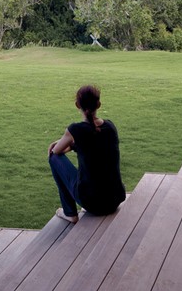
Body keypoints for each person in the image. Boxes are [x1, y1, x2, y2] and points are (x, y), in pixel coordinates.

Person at [48, 84, 126, 223]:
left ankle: (70, 213)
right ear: (99, 104)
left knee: (53, 158)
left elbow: (56, 151)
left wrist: (65, 143)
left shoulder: (75, 130)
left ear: (77, 105)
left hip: (92, 203)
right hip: (115, 199)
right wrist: (72, 145)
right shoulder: (110, 126)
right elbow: (93, 144)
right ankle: (74, 209)